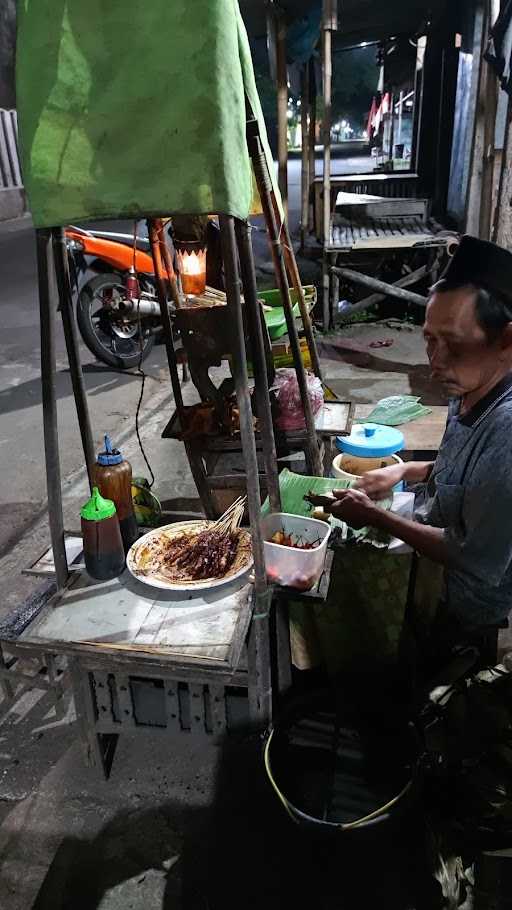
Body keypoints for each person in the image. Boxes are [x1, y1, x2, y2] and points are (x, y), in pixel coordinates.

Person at [330, 235, 512, 661]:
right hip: (435, 535)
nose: (436, 360)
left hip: (463, 595)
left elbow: (474, 558)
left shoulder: (506, 428)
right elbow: (462, 472)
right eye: (430, 340)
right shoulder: (468, 388)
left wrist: (374, 515)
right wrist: (401, 472)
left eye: (455, 343)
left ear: (506, 340)